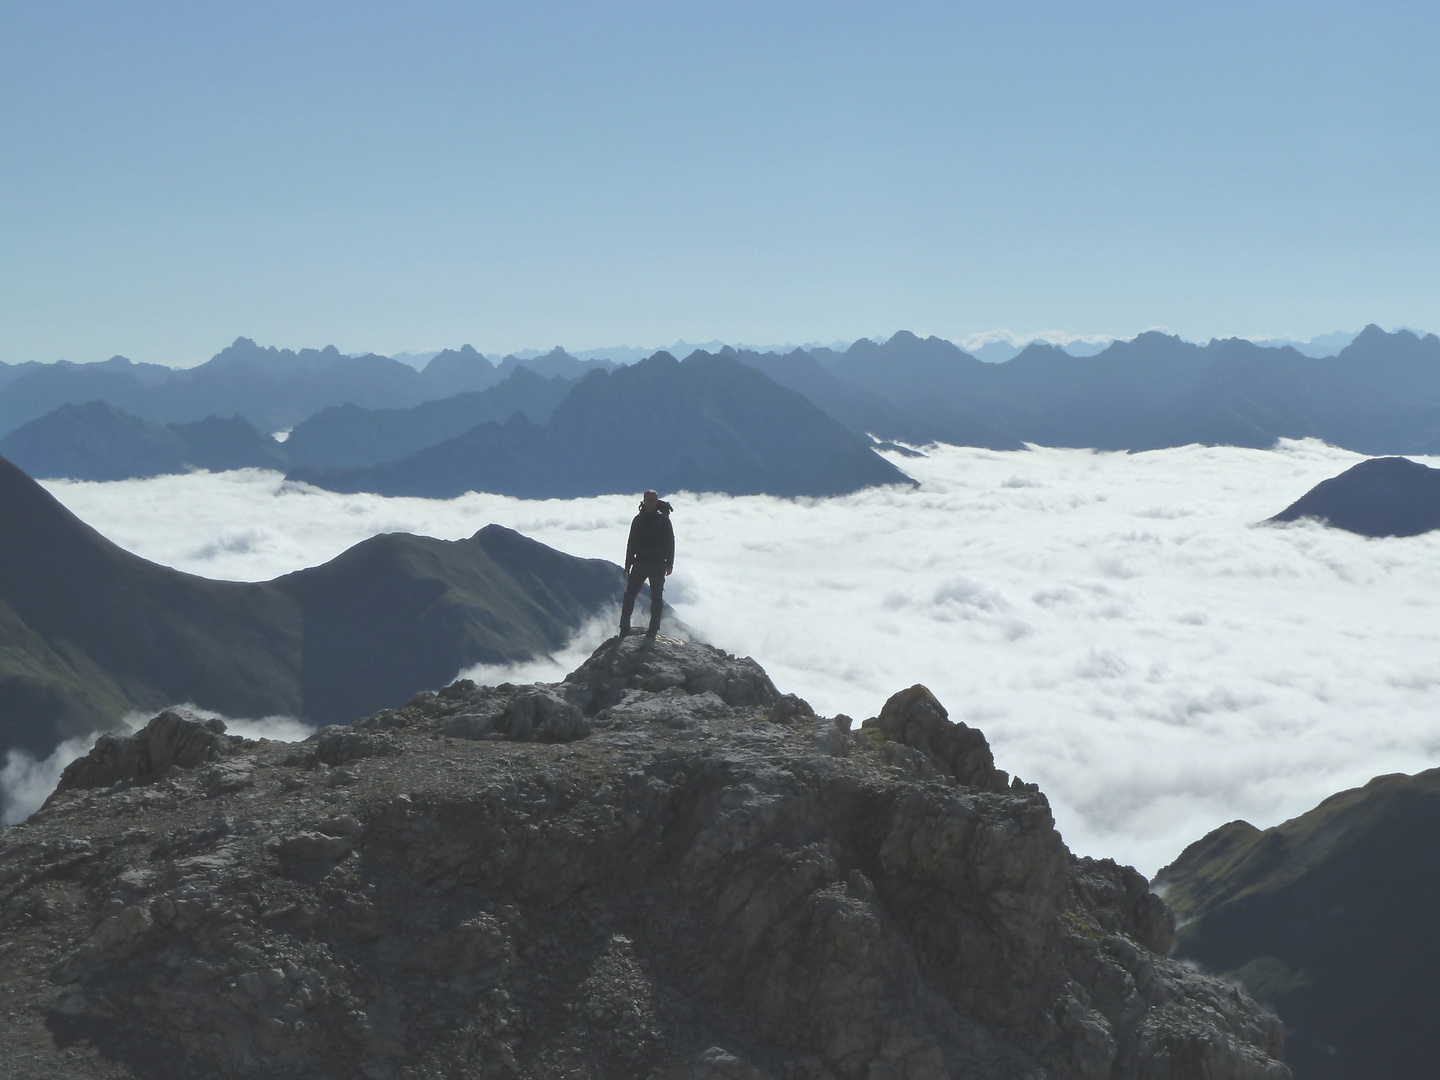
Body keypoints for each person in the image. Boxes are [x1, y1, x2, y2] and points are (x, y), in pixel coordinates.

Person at [620, 489, 674, 638]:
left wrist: (669, 564)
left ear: (656, 501)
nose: (649, 503)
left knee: (656, 598)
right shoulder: (637, 520)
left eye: (652, 500)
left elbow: (670, 542)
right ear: (643, 501)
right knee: (629, 595)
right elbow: (631, 543)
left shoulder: (663, 520)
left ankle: (653, 629)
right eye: (647, 500)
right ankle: (624, 627)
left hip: (657, 564)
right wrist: (628, 564)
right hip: (640, 563)